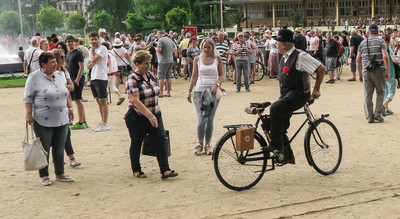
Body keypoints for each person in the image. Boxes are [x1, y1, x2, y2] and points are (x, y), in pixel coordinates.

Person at [262, 29, 325, 165]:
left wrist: (316, 89)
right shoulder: (284, 57)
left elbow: (321, 68)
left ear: (284, 45)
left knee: (275, 108)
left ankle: (277, 146)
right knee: (273, 123)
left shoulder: (300, 56)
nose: (275, 45)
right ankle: (287, 155)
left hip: (299, 94)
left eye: (277, 43)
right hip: (287, 94)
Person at [125, 50, 178, 179]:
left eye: (149, 63)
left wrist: (154, 114)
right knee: (137, 142)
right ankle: (136, 169)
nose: (148, 66)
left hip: (155, 113)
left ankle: (165, 169)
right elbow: (134, 100)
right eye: (145, 63)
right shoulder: (132, 79)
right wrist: (149, 115)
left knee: (160, 140)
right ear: (137, 64)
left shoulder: (149, 75)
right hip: (137, 116)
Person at [24, 52, 75, 186]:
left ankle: (60, 173)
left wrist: (70, 108)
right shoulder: (34, 77)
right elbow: (28, 97)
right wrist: (29, 114)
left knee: (59, 147)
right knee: (44, 148)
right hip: (43, 119)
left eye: (55, 62)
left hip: (62, 117)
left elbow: (65, 93)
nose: (55, 64)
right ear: (43, 64)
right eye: (52, 62)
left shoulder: (59, 75)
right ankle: (44, 175)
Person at [187, 39, 223, 155]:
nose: (206, 49)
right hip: (199, 91)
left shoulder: (217, 59)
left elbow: (222, 75)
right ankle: (199, 143)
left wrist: (217, 85)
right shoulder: (197, 59)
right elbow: (194, 76)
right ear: (201, 47)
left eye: (208, 47)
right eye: (204, 47)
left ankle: (208, 144)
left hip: (213, 92)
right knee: (201, 117)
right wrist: (189, 91)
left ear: (212, 47)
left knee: (210, 118)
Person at [53, 48, 82, 167]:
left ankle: (71, 157)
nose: (65, 59)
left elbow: (72, 87)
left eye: (65, 57)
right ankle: (60, 157)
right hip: (53, 106)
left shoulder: (64, 71)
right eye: (62, 57)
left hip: (65, 103)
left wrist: (61, 86)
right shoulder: (50, 73)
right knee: (54, 134)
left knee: (65, 132)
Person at [356, 24, 390, 123]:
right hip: (379, 69)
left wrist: (360, 74)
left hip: (366, 70)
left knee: (368, 94)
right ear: (378, 31)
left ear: (369, 32)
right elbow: (385, 56)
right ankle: (377, 114)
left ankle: (369, 116)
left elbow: (358, 60)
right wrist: (387, 71)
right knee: (380, 92)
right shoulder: (381, 41)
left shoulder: (362, 43)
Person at [87, 32, 110, 131]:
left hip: (101, 77)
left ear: (98, 39)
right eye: (92, 39)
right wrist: (92, 55)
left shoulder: (102, 49)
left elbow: (94, 60)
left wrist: (92, 53)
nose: (94, 41)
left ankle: (105, 123)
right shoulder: (91, 50)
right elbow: (88, 66)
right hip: (93, 77)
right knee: (98, 101)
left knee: (103, 101)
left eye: (95, 39)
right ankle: (102, 121)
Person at [65, 35, 88, 130]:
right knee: (77, 100)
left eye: (72, 41)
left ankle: (81, 121)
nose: (70, 43)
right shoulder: (68, 53)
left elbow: (81, 67)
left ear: (75, 42)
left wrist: (77, 80)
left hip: (77, 78)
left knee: (78, 100)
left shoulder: (78, 52)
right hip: (71, 77)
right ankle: (84, 121)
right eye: (68, 41)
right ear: (66, 43)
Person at [156, 31, 176, 97]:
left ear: (160, 35)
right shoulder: (170, 40)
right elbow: (174, 51)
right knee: (168, 77)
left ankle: (161, 93)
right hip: (170, 60)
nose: (157, 37)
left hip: (163, 60)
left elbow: (159, 50)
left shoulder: (160, 40)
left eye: (157, 35)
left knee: (161, 77)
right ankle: (168, 92)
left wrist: (156, 49)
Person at [382, 34, 398, 116]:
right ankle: (384, 105)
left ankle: (386, 109)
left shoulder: (380, 49)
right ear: (388, 41)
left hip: (382, 72)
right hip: (390, 72)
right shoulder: (389, 49)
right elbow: (394, 60)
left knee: (385, 91)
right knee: (392, 91)